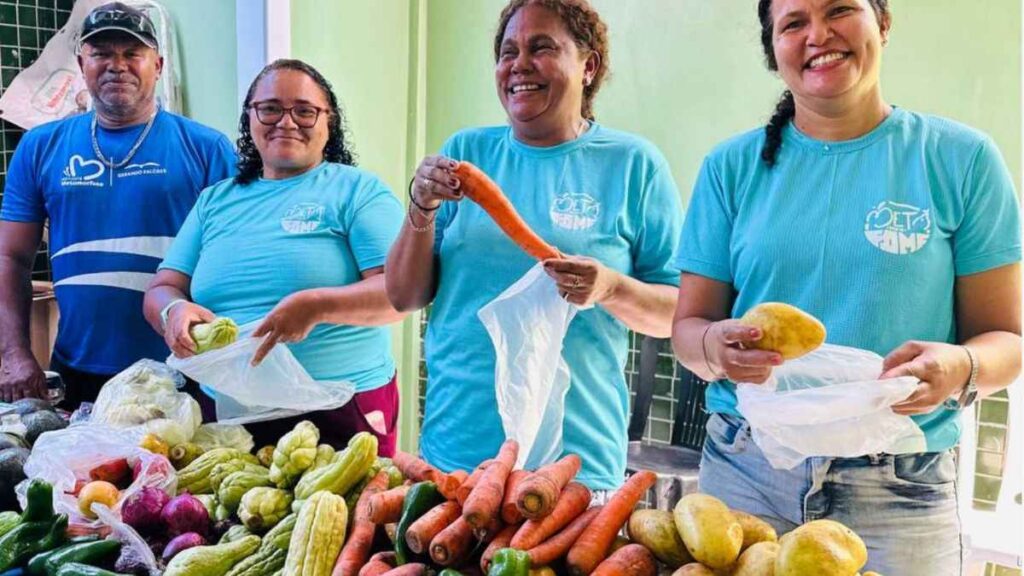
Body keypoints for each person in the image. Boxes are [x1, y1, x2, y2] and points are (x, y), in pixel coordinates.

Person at [671, 0, 1021, 573]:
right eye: (793, 23)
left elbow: (1005, 339)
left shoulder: (961, 161)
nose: (818, 35)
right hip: (747, 475)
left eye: (840, 10)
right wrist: (716, 348)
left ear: (882, 23)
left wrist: (959, 365)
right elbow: (688, 329)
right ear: (773, 48)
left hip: (903, 489)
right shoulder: (729, 168)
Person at [386, 0, 683, 490]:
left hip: (573, 462)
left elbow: (674, 313)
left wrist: (610, 288)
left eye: (542, 47)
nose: (519, 64)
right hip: (457, 448)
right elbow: (404, 296)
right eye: (508, 52)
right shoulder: (467, 152)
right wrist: (420, 206)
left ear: (588, 66)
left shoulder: (633, 164)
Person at [144, 59, 405, 454]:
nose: (286, 121)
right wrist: (172, 313)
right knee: (231, 516)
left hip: (339, 409)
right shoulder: (215, 201)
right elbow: (163, 287)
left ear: (328, 122)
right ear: (250, 118)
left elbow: (399, 295)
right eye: (270, 108)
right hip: (230, 412)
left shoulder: (357, 192)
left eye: (304, 110)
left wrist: (317, 306)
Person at [0, 2, 236, 407]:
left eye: (132, 53)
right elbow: (10, 257)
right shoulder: (40, 146)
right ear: (81, 63)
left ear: (158, 65)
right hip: (79, 374)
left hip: (184, 372)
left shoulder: (206, 148)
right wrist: (13, 354)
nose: (117, 65)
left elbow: (236, 260)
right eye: (102, 53)